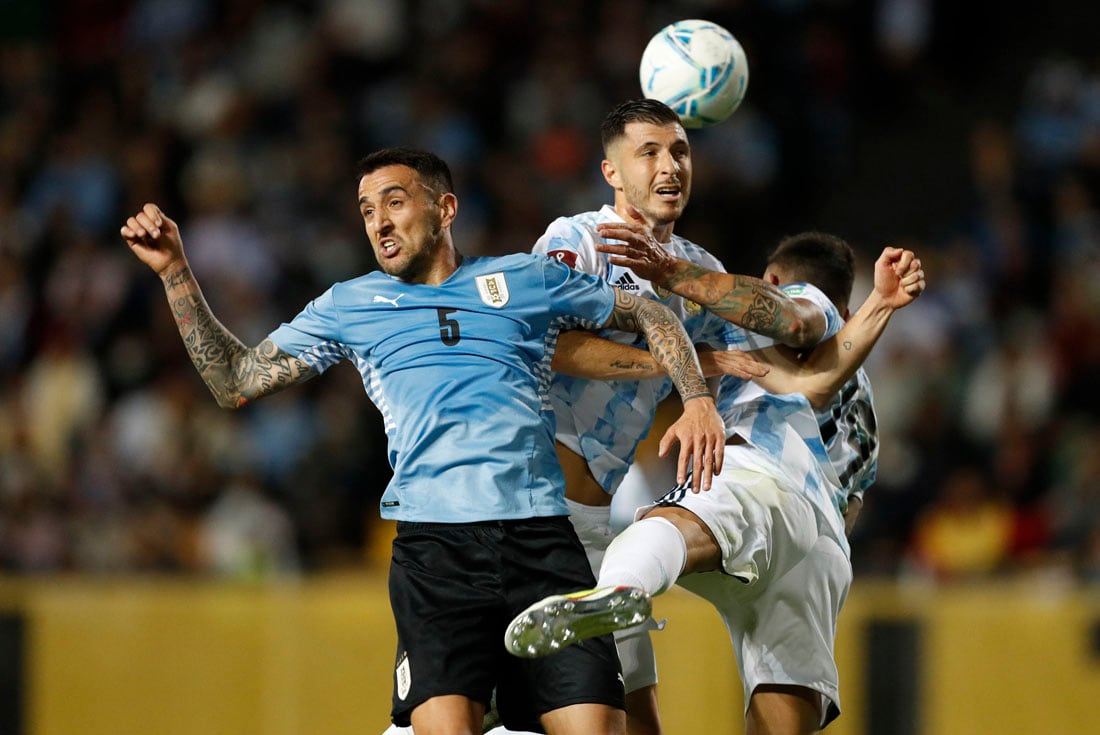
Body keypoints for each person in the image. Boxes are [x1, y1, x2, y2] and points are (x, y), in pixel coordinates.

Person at [120, 146, 729, 735]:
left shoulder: (522, 278)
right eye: (366, 211)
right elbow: (236, 381)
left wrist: (697, 399)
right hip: (437, 554)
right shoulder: (351, 305)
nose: (379, 223)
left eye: (394, 202)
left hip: (543, 542)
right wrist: (176, 271)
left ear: (445, 209)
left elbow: (652, 314)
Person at [507, 232, 925, 734]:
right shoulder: (863, 406)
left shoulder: (803, 301)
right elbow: (841, 470)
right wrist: (881, 304)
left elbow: (790, 318)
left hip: (766, 471)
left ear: (772, 280)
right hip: (825, 547)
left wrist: (672, 273)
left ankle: (618, 590)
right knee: (787, 708)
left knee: (664, 526)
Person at [526, 98, 834, 735]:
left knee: (641, 720)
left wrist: (876, 311)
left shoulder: (699, 268)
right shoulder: (576, 239)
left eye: (680, 152)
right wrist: (680, 365)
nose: (670, 167)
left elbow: (793, 329)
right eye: (649, 153)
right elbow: (542, 344)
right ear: (611, 172)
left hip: (593, 523)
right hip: (530, 511)